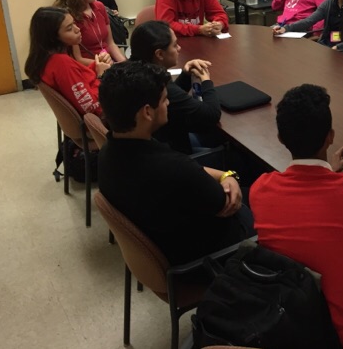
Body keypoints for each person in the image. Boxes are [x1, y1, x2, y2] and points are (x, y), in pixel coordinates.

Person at [250, 84, 343, 349]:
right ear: (330, 136)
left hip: (285, 321)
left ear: (280, 137)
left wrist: (330, 173)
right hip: (341, 332)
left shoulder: (260, 190)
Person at [97, 60, 253, 266]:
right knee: (259, 190)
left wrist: (225, 175)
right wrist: (231, 178)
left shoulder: (109, 150)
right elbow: (226, 204)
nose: (168, 104)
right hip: (207, 260)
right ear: (147, 112)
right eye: (164, 100)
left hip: (164, 242)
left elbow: (192, 171)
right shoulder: (173, 168)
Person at [130, 20, 223, 155]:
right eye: (174, 45)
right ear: (160, 54)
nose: (179, 48)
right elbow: (211, 115)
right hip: (176, 156)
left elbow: (171, 98)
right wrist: (206, 81)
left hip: (156, 148)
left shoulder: (138, 73)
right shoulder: (157, 83)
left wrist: (185, 74)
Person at [25, 6, 109, 116]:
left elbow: (78, 77)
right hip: (102, 117)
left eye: (74, 23)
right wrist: (102, 76)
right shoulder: (61, 63)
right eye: (69, 28)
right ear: (53, 37)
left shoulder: (47, 58)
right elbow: (92, 107)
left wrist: (96, 65)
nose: (77, 29)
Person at [53, 0, 127, 65]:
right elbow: (78, 59)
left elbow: (110, 43)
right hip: (89, 66)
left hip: (108, 61)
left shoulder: (100, 7)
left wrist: (124, 64)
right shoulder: (69, 17)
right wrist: (107, 65)